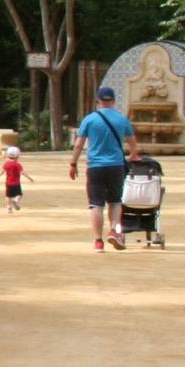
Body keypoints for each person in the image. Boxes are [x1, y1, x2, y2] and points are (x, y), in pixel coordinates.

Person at [68, 87, 141, 252]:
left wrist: (73, 164)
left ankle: (98, 242)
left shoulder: (90, 119)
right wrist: (134, 155)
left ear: (98, 101)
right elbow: (131, 141)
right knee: (115, 201)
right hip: (116, 166)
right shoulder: (122, 119)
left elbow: (79, 144)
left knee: (96, 204)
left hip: (95, 167)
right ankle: (114, 231)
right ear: (113, 101)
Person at [0, 145, 28, 213]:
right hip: (16, 183)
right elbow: (22, 172)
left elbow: (2, 172)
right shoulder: (18, 165)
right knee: (19, 194)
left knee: (8, 196)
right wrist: (30, 178)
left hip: (8, 183)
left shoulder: (6, 164)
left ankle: (9, 208)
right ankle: (16, 200)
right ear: (17, 156)